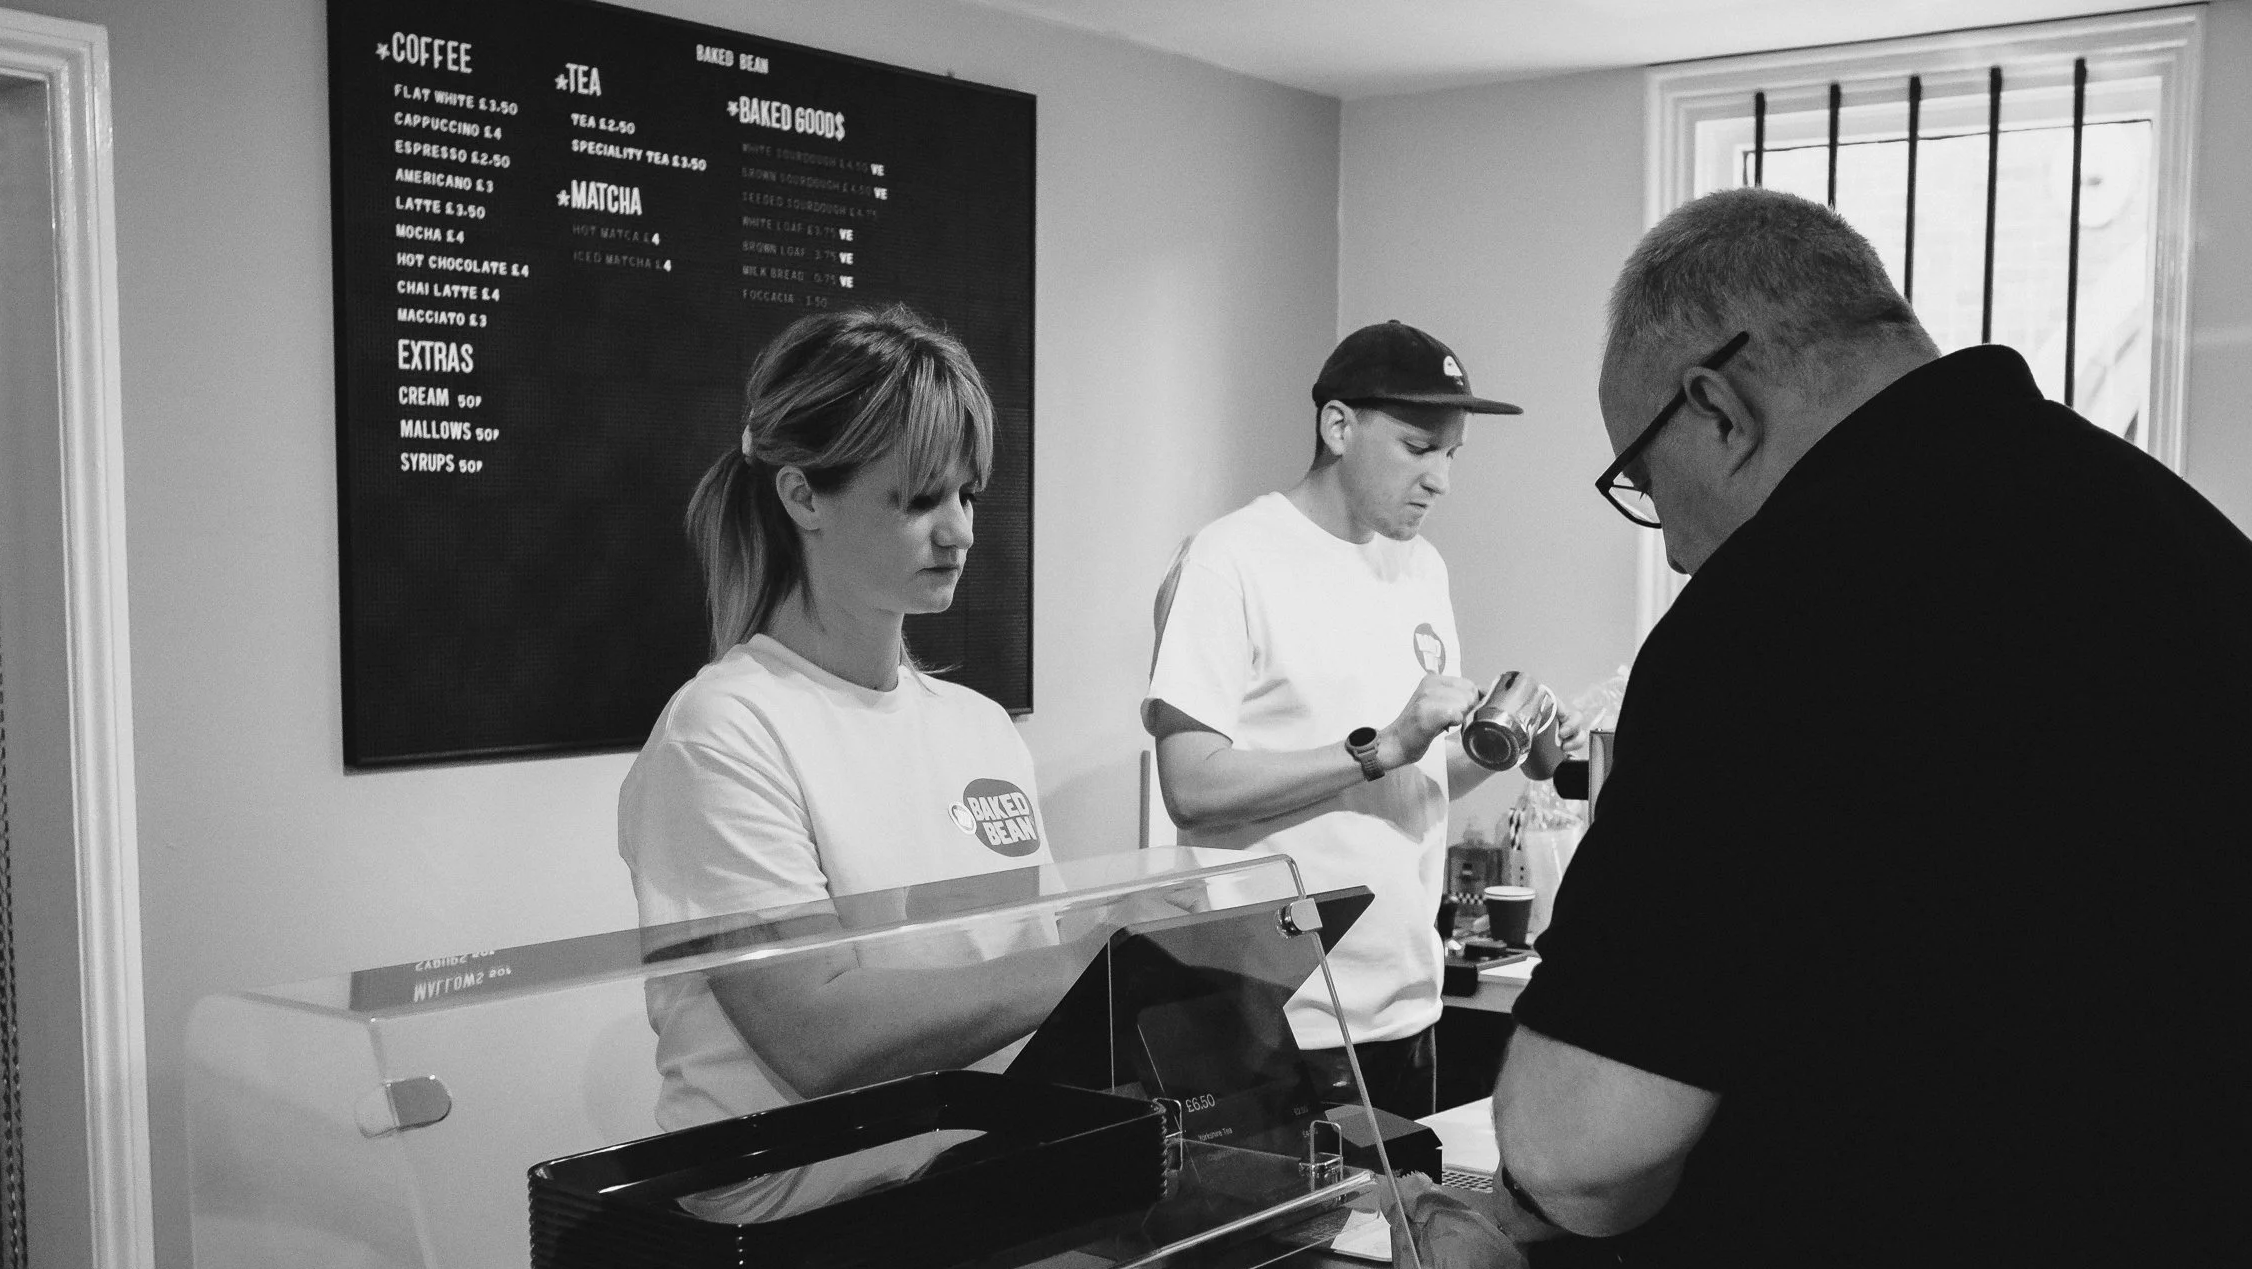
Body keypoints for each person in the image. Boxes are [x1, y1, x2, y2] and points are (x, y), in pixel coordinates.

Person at [1491, 189, 2252, 1269]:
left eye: (1643, 482)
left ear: (1715, 402)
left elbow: (1580, 1149)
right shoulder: (2221, 575)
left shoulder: (1774, 623)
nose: (1665, 547)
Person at [620, 305, 1088, 1127]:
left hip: (980, 1178)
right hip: (801, 1219)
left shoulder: (981, 727)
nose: (961, 532)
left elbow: (1028, 971)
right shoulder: (724, 733)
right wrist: (1096, 965)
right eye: (918, 500)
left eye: (967, 494)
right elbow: (817, 1033)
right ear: (804, 495)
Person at [1144, 321, 1574, 1117]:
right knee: (1295, 1245)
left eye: (1453, 454)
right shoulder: (1230, 559)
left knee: (1405, 1235)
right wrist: (1378, 748)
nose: (1441, 479)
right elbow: (1191, 784)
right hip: (1275, 1017)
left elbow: (1408, 774)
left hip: (1409, 1008)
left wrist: (1496, 745)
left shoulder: (1420, 567)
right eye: (1419, 448)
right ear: (1338, 426)